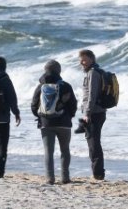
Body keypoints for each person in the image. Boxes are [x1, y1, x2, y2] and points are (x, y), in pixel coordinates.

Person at [31, 59, 78, 185]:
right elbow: (73, 104)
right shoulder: (66, 86)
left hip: (46, 123)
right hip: (64, 123)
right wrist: (69, 116)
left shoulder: (40, 87)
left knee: (48, 151)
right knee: (65, 150)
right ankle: (65, 177)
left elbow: (34, 105)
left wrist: (41, 116)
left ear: (45, 71)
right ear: (59, 71)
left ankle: (50, 178)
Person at [76, 49, 108, 180]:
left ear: (91, 59)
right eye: (80, 60)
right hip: (96, 112)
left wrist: (87, 113)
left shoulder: (93, 73)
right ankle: (98, 172)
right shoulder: (93, 71)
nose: (81, 62)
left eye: (84, 59)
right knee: (93, 142)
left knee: (93, 144)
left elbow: (92, 95)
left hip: (94, 113)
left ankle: (98, 173)